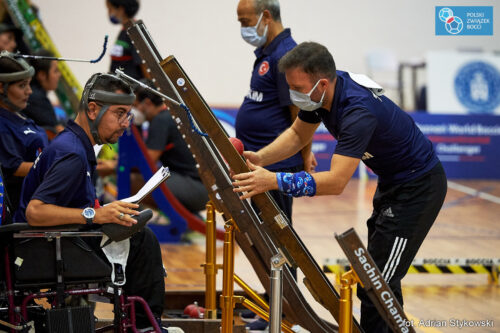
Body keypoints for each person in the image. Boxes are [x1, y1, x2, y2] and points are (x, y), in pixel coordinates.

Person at [232, 42, 448, 333]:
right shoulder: (321, 95)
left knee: (377, 286)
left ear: (321, 83)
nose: (293, 94)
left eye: (297, 87)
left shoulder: (357, 112)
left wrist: (272, 179)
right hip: (392, 184)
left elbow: (335, 182)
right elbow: (297, 134)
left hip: (418, 190)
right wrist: (261, 157)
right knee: (378, 282)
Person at [14, 73, 168, 331]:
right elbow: (35, 212)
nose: (125, 123)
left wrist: (105, 211)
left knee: (138, 230)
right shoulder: (72, 154)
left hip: (51, 243)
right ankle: (145, 327)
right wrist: (94, 215)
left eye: (128, 115)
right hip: (39, 251)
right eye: (119, 113)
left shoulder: (74, 143)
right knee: (145, 241)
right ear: (94, 109)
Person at [135, 80, 208, 213]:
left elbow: (146, 162)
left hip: (196, 188)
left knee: (134, 182)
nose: (134, 111)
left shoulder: (160, 120)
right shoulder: (171, 114)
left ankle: (136, 222)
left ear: (147, 103)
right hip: (202, 187)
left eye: (135, 106)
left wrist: (114, 166)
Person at [0, 51, 48, 216]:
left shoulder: (19, 115)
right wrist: (57, 167)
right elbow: (15, 168)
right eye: (22, 86)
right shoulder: (2, 124)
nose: (29, 91)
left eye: (29, 84)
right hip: (21, 210)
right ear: (1, 87)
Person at [22, 49, 64, 134]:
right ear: (42, 75)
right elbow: (58, 130)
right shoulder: (35, 97)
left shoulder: (37, 93)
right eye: (55, 71)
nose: (59, 75)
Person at [106, 0, 144, 80]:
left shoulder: (133, 31)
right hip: (118, 85)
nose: (108, 13)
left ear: (121, 9)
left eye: (110, 9)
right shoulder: (124, 31)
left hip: (130, 88)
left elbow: (144, 64)